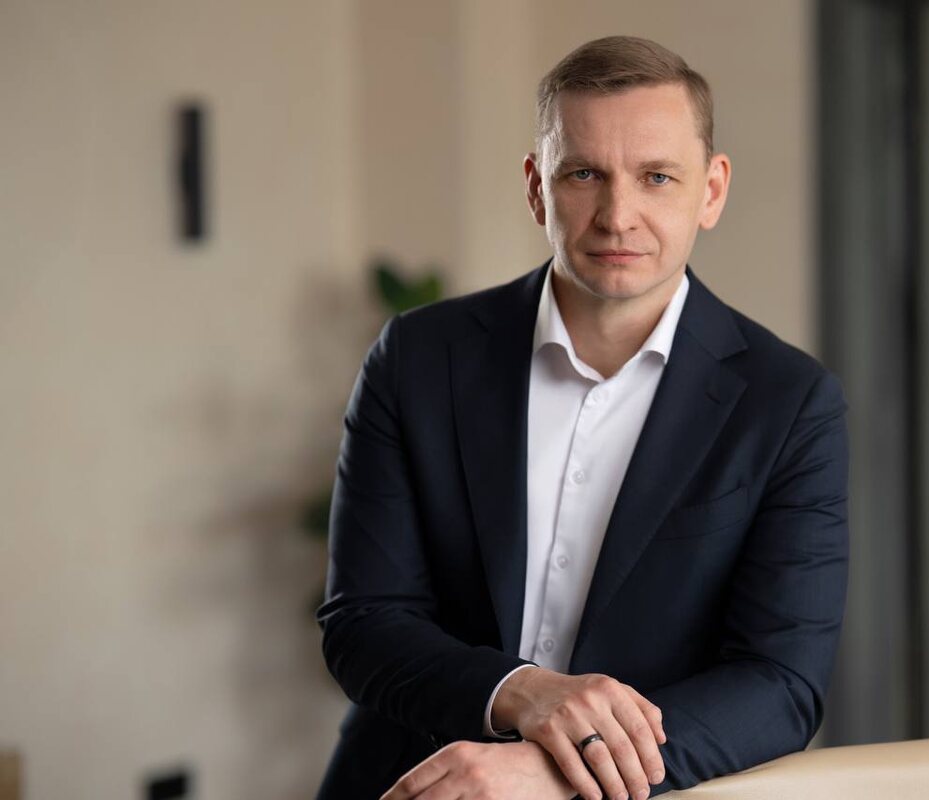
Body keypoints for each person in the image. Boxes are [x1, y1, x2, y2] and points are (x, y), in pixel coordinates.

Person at [315, 35, 849, 800]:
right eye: (584, 173)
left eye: (656, 177)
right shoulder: (418, 358)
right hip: (413, 783)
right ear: (538, 188)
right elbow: (364, 621)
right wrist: (522, 692)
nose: (617, 216)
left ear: (711, 191)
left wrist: (556, 768)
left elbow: (779, 685)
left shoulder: (790, 403)